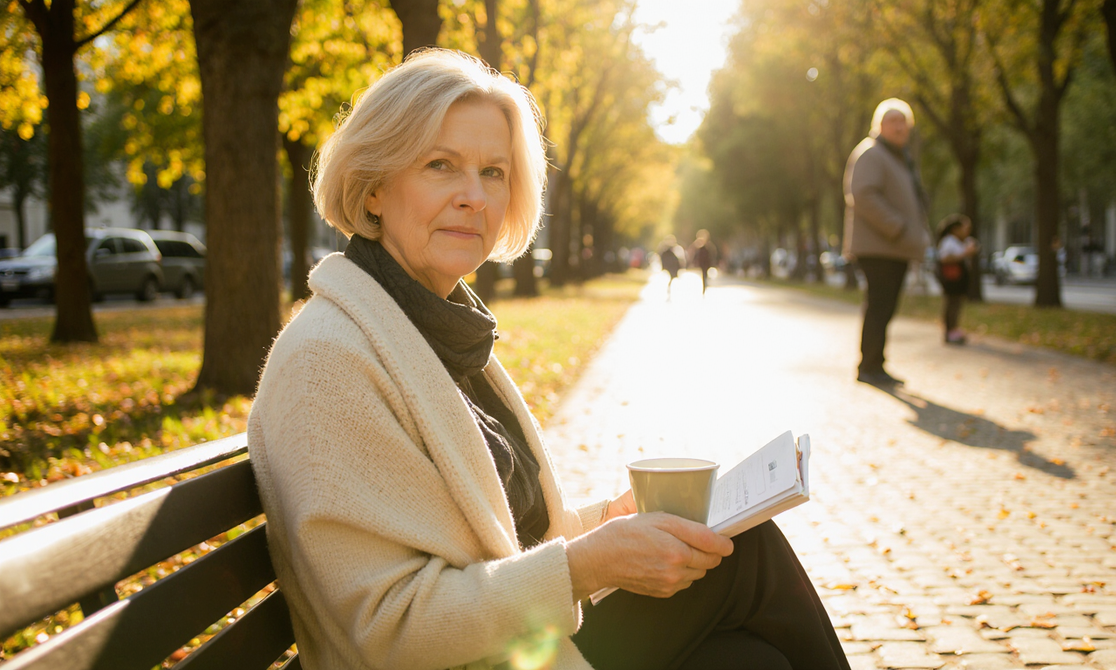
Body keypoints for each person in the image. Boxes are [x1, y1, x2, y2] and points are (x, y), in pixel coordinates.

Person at [247, 49, 849, 670]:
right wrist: (590, 562)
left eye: (494, 172)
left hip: (509, 650)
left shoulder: (433, 326)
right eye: (440, 165)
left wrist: (604, 524)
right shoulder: (328, 363)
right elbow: (386, 630)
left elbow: (503, 543)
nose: (473, 197)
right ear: (373, 187)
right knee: (747, 565)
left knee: (746, 642)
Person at [842, 98, 930, 387]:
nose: (899, 127)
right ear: (879, 125)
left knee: (886, 306)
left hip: (894, 247)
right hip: (878, 246)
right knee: (880, 305)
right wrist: (897, 226)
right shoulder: (872, 153)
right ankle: (868, 366)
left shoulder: (897, 156)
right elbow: (863, 195)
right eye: (893, 121)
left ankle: (875, 363)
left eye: (903, 122)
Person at [935, 214, 977, 345]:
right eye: (964, 228)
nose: (967, 231)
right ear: (955, 229)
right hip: (951, 278)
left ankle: (954, 329)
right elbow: (944, 258)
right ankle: (950, 331)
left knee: (956, 303)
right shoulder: (949, 241)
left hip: (958, 278)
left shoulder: (958, 241)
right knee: (952, 304)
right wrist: (965, 253)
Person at [688, 230, 715, 294]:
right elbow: (694, 253)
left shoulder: (708, 246)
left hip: (706, 262)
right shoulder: (698, 245)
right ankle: (704, 285)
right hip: (702, 262)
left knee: (704, 274)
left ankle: (705, 284)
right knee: (704, 274)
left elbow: (712, 254)